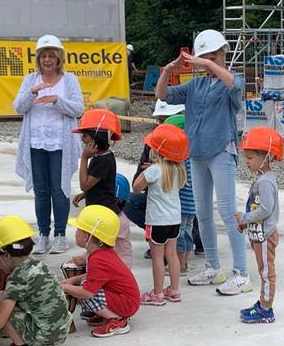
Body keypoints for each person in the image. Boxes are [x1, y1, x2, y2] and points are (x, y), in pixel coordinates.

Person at [156, 29, 250, 296]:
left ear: (222, 54)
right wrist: (167, 70)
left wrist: (208, 63)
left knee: (229, 212)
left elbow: (235, 85)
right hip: (197, 154)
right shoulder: (196, 86)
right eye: (204, 57)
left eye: (213, 56)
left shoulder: (231, 81)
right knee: (203, 213)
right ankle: (213, 266)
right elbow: (163, 95)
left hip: (221, 151)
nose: (208, 61)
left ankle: (241, 273)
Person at [13, 35, 84, 255]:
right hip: (35, 143)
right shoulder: (30, 80)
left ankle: (61, 235)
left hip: (59, 143)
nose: (47, 60)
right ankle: (43, 235)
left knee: (59, 189)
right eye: (43, 56)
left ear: (59, 58)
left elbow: (78, 109)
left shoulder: (69, 80)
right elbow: (18, 107)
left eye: (51, 56)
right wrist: (32, 92)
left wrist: (57, 100)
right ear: (38, 59)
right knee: (41, 191)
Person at [0, 215, 72, 346]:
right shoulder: (38, 265)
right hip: (59, 332)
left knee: (1, 308)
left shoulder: (17, 278)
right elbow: (27, 294)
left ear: (6, 255)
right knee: (0, 301)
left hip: (45, 338)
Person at [60, 205, 139, 338]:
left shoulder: (98, 259)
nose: (75, 232)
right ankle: (106, 314)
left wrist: (64, 287)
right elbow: (97, 276)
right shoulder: (100, 253)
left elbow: (88, 292)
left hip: (127, 303)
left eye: (78, 230)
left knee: (87, 291)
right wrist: (73, 279)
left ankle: (117, 321)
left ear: (86, 236)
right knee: (85, 283)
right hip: (125, 299)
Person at [132, 123, 188, 305]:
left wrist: (146, 171)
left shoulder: (153, 170)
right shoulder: (178, 170)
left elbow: (136, 187)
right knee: (171, 254)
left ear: (158, 150)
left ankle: (157, 293)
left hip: (157, 220)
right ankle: (174, 290)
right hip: (174, 220)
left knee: (157, 257)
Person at [70, 109, 132, 265]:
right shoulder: (103, 156)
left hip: (107, 216)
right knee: (101, 247)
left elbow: (85, 183)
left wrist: (84, 158)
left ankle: (119, 281)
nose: (82, 139)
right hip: (105, 212)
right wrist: (85, 194)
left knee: (117, 255)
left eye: (85, 135)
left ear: (97, 136)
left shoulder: (101, 160)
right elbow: (100, 183)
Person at [235, 128, 284, 324]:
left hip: (264, 236)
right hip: (258, 234)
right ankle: (263, 302)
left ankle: (266, 309)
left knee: (266, 272)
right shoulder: (261, 179)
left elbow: (265, 210)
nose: (247, 162)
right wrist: (246, 223)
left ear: (266, 156)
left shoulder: (265, 183)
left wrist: (245, 218)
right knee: (262, 270)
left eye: (250, 157)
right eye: (246, 157)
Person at [164, 113, 197, 273]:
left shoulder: (181, 157)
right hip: (193, 204)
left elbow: (178, 181)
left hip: (182, 203)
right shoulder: (193, 154)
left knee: (179, 235)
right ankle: (184, 263)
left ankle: (180, 265)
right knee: (188, 233)